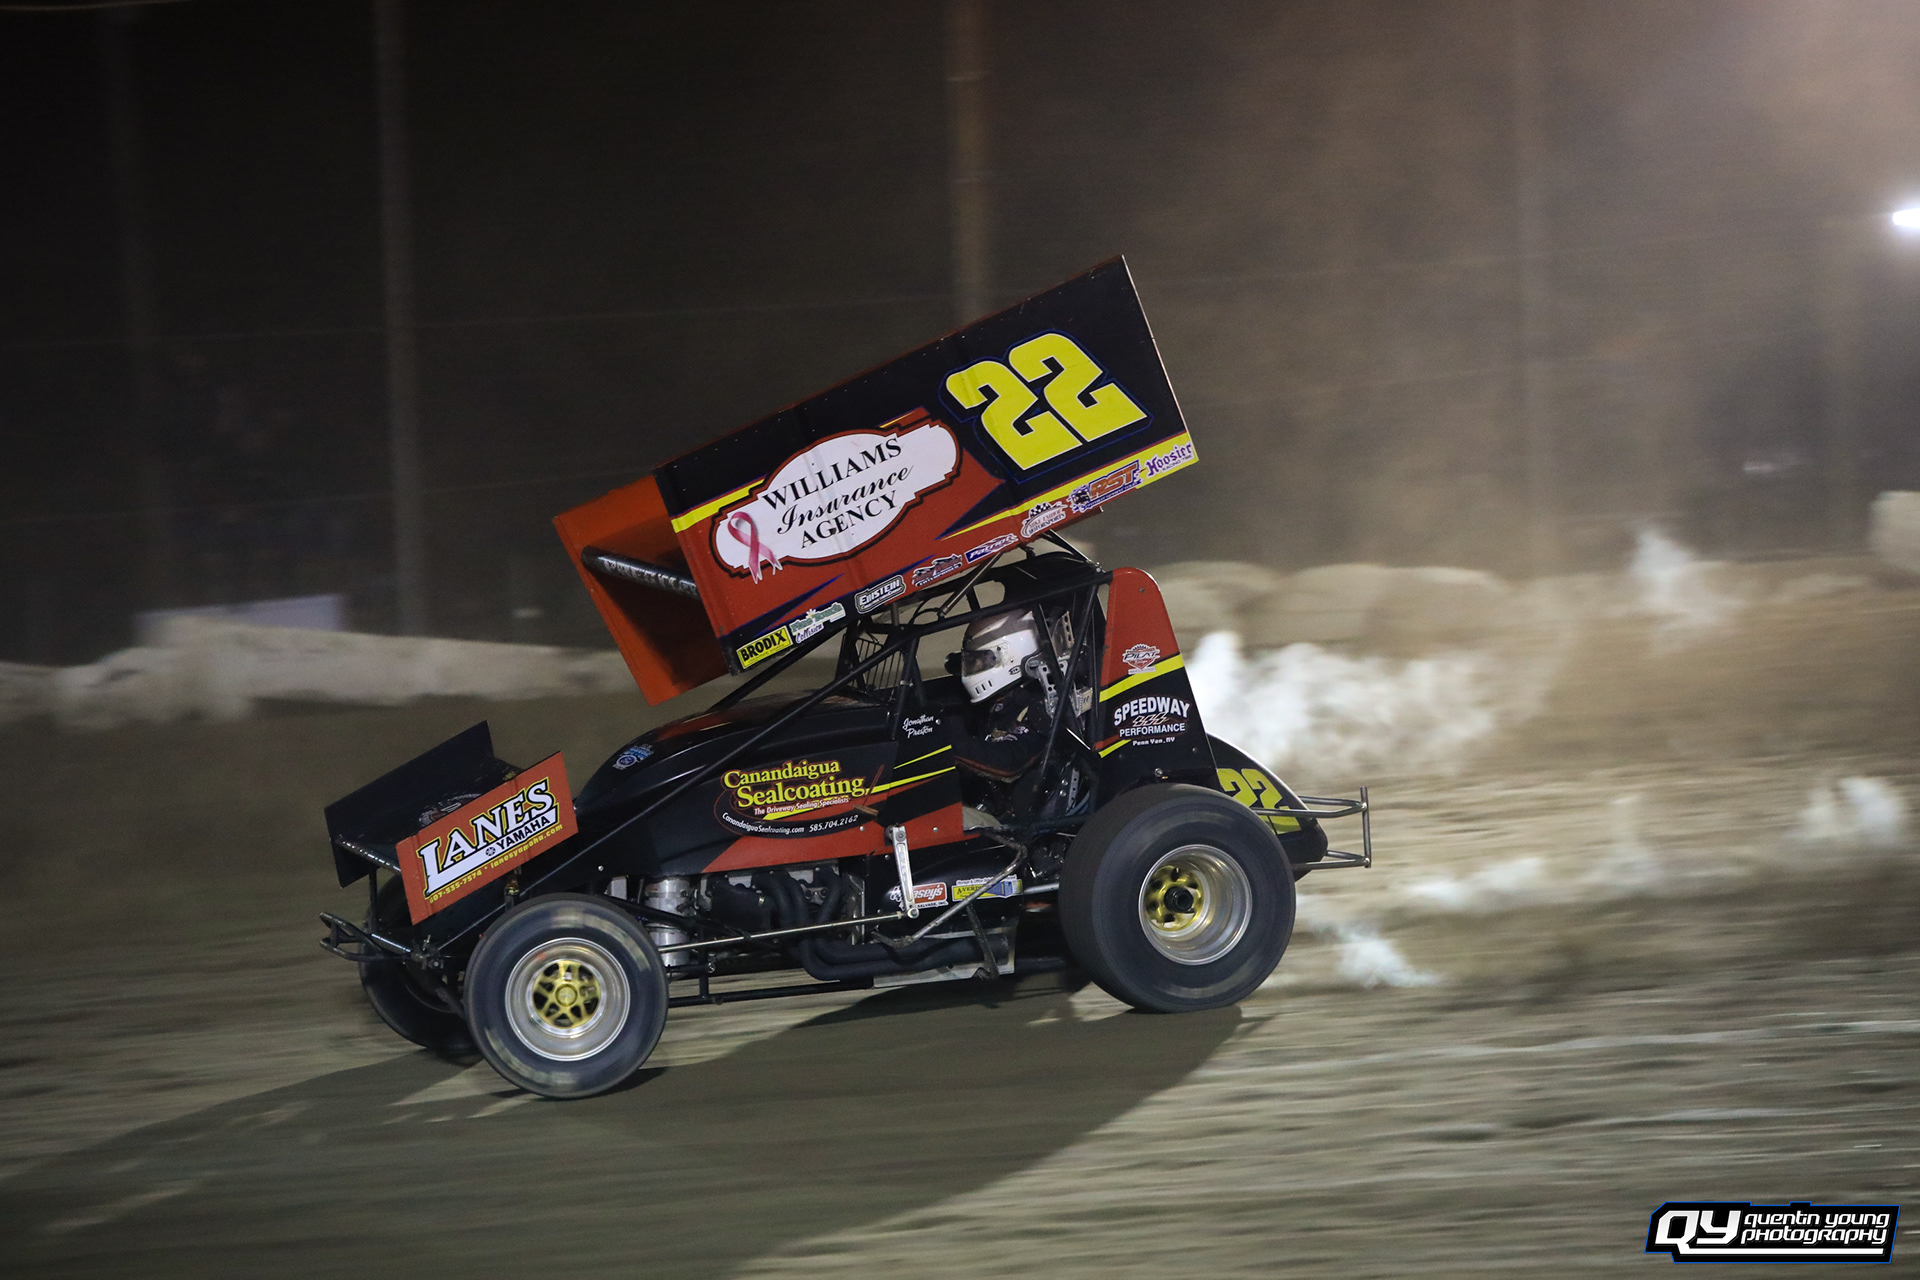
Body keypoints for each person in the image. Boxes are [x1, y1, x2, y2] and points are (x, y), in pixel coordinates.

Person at [951, 608, 1055, 782]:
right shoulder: (995, 704)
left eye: (980, 660)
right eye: (970, 661)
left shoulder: (1041, 704)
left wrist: (946, 746)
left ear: (1012, 655)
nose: (973, 667)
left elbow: (1010, 761)